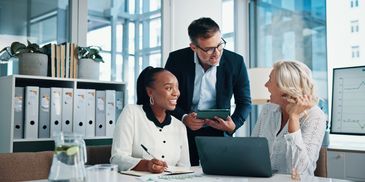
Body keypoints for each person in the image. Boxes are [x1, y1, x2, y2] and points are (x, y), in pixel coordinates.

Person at [165, 17, 251, 166]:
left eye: (219, 45)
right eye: (209, 49)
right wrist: (184, 117)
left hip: (219, 132)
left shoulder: (235, 61)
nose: (216, 53)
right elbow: (166, 99)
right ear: (194, 47)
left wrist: (234, 125)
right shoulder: (176, 59)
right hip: (183, 130)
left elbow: (245, 102)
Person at [251, 60, 326, 176]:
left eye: (270, 80)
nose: (266, 85)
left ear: (284, 87)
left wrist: (294, 118)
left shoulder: (315, 116)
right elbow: (252, 150)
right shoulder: (268, 110)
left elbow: (301, 171)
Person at [110, 66, 190, 172]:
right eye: (169, 88)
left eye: (177, 87)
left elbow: (184, 168)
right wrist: (147, 165)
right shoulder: (132, 113)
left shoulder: (179, 126)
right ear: (150, 92)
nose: (176, 93)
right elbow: (117, 159)